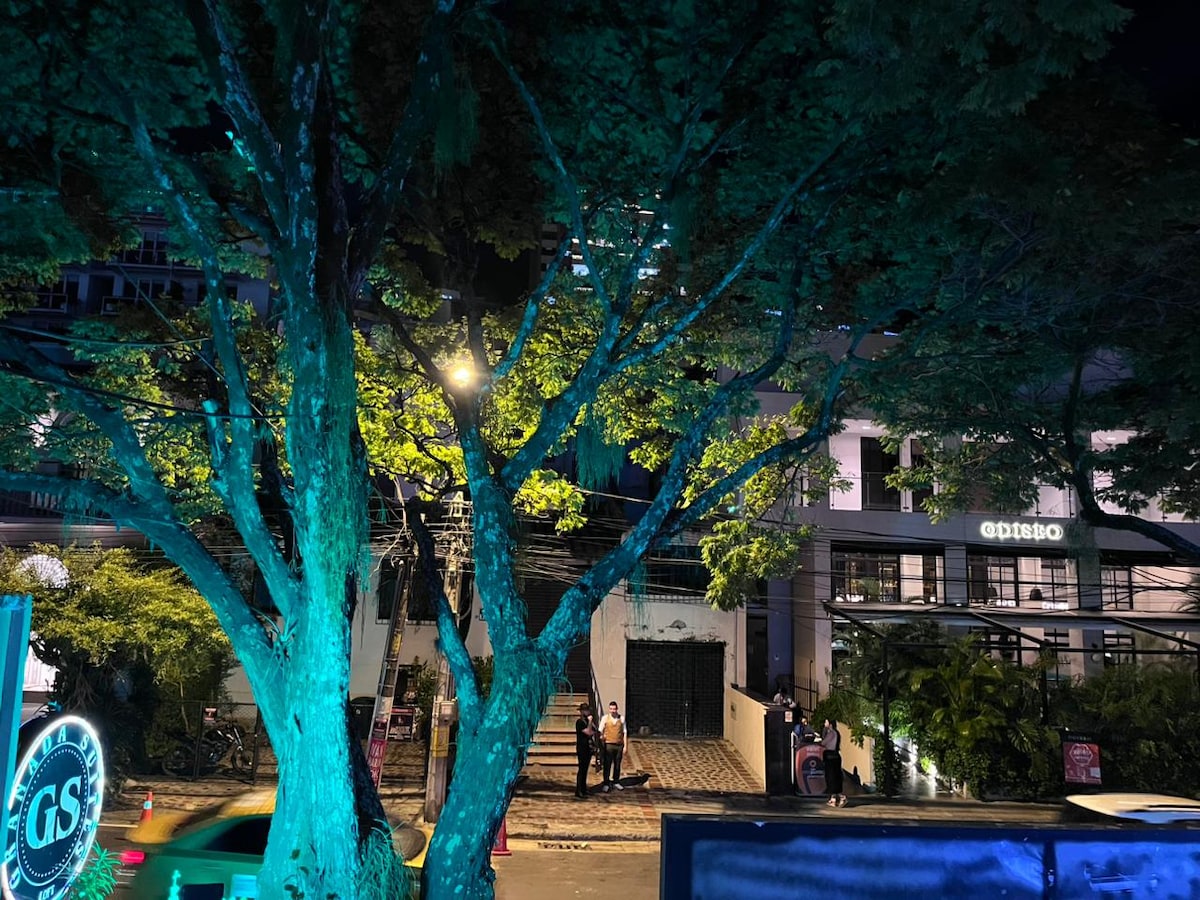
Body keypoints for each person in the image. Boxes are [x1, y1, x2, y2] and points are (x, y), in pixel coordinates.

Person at [598, 700, 628, 792]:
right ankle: (606, 783)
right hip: (608, 744)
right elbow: (600, 730)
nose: (613, 711)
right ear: (609, 709)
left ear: (617, 709)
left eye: (614, 709)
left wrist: (625, 746)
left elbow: (625, 732)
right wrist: (602, 737)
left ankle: (616, 781)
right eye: (611, 709)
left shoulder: (621, 719)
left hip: (619, 745)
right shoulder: (605, 718)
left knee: (617, 764)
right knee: (607, 764)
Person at [821, 717, 847, 807]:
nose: (824, 724)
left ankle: (840, 797)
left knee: (831, 777)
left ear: (830, 724)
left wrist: (824, 730)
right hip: (835, 756)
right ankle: (834, 798)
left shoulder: (831, 733)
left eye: (826, 722)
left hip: (830, 756)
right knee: (835, 777)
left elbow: (823, 743)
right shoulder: (836, 733)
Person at [574, 703, 596, 799]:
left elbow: (594, 731)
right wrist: (590, 722)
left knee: (585, 769)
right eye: (586, 710)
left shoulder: (587, 721)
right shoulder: (579, 722)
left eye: (588, 710)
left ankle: (583, 788)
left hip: (588, 748)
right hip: (582, 748)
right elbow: (588, 732)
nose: (587, 712)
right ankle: (578, 790)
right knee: (581, 769)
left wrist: (591, 722)